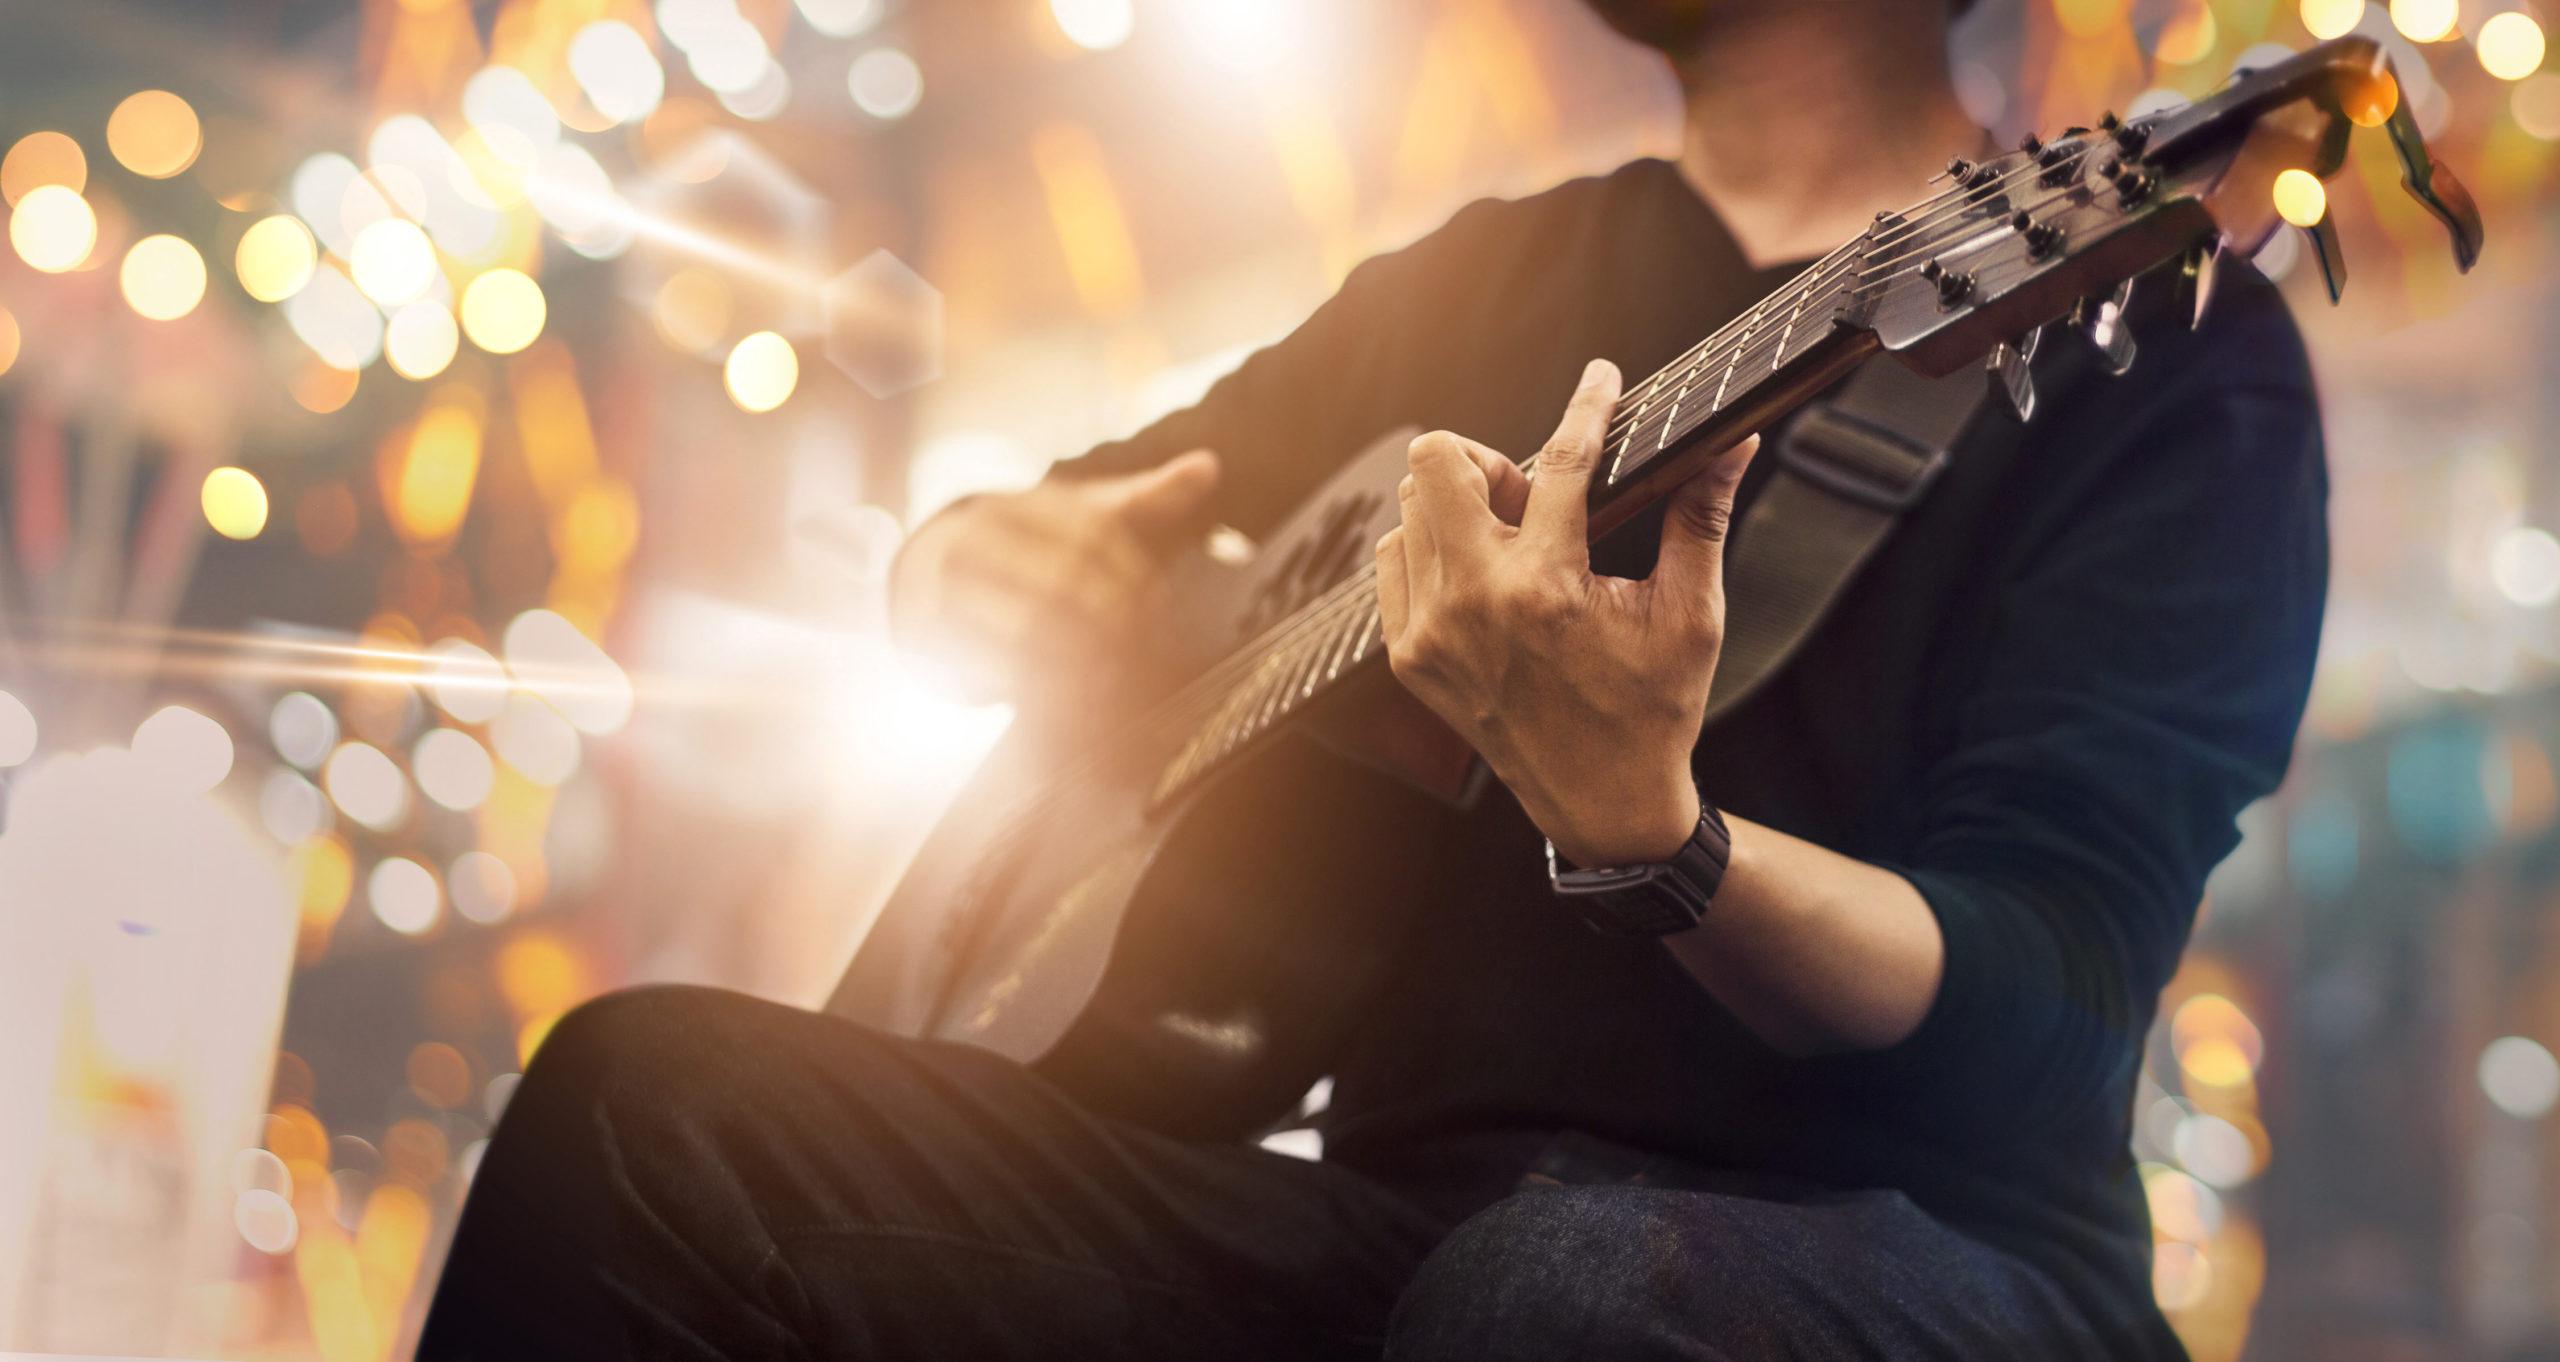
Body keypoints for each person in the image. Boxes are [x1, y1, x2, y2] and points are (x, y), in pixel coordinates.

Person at [421, 0, 2326, 1357]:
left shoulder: (2155, 336)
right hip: (1411, 1222)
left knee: (1567, 1299)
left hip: (1933, 1262)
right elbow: (1091, 520)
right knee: (649, 1108)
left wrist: (1657, 839)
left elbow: (2055, 1002)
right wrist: (968, 567)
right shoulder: (1481, 278)